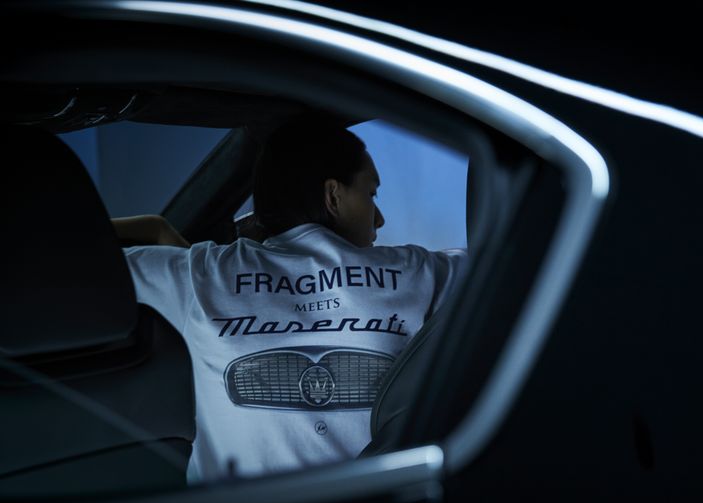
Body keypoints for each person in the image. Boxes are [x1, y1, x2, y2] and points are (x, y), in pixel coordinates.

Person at [118, 112, 466, 483]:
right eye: (371, 194)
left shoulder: (198, 275)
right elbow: (503, 260)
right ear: (333, 196)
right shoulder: (418, 273)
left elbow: (81, 259)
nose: (378, 218)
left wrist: (154, 228)